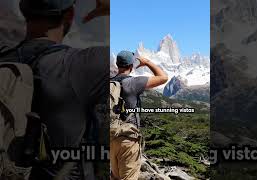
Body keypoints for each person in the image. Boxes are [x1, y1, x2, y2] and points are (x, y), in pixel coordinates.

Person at [0, 0, 109, 179]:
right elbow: (127, 64)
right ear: (70, 15)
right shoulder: (79, 66)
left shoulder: (4, 62)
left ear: (23, 11)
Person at [110, 51, 168, 180]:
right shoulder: (133, 83)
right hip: (128, 140)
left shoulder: (109, 84)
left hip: (110, 138)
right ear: (131, 66)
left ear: (117, 64)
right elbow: (163, 77)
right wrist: (146, 62)